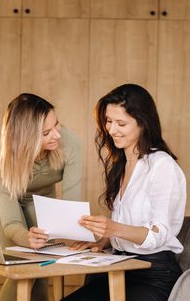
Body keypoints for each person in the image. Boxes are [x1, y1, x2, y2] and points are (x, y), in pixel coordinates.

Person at [62, 83, 186, 301]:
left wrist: (113, 228)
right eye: (108, 121)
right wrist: (103, 241)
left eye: (121, 123)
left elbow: (159, 233)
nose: (111, 130)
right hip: (119, 268)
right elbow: (126, 227)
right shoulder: (123, 164)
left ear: (143, 124)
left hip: (153, 275)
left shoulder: (162, 166)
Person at [0, 93, 82, 301]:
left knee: (43, 261)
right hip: (3, 194)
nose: (57, 135)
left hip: (40, 194)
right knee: (21, 263)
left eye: (57, 124)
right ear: (26, 138)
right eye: (46, 132)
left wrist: (75, 234)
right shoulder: (0, 156)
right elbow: (11, 222)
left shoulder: (70, 143)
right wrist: (26, 238)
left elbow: (71, 208)